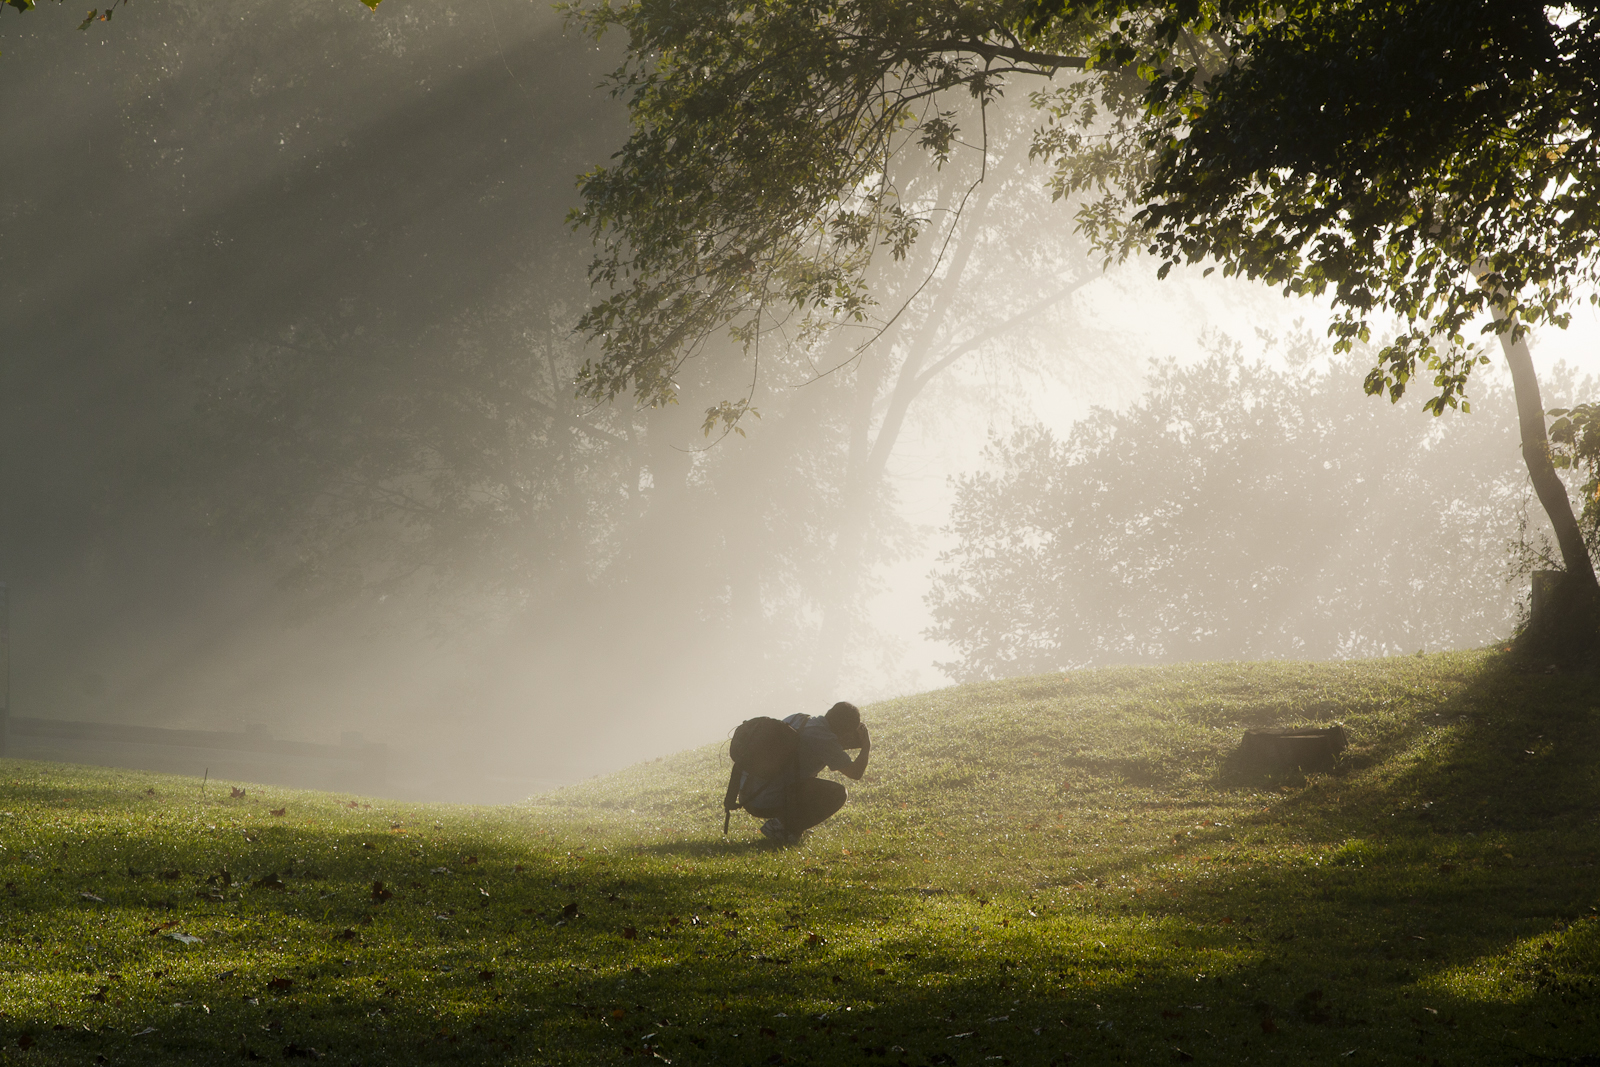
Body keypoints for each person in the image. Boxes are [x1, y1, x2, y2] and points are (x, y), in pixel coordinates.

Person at [743, 701, 870, 845]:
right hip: (765, 801)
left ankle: (793, 825)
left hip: (749, 793)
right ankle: (782, 828)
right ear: (845, 729)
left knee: (808, 784)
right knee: (838, 793)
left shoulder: (799, 719)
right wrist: (866, 745)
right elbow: (855, 773)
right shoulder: (823, 737)